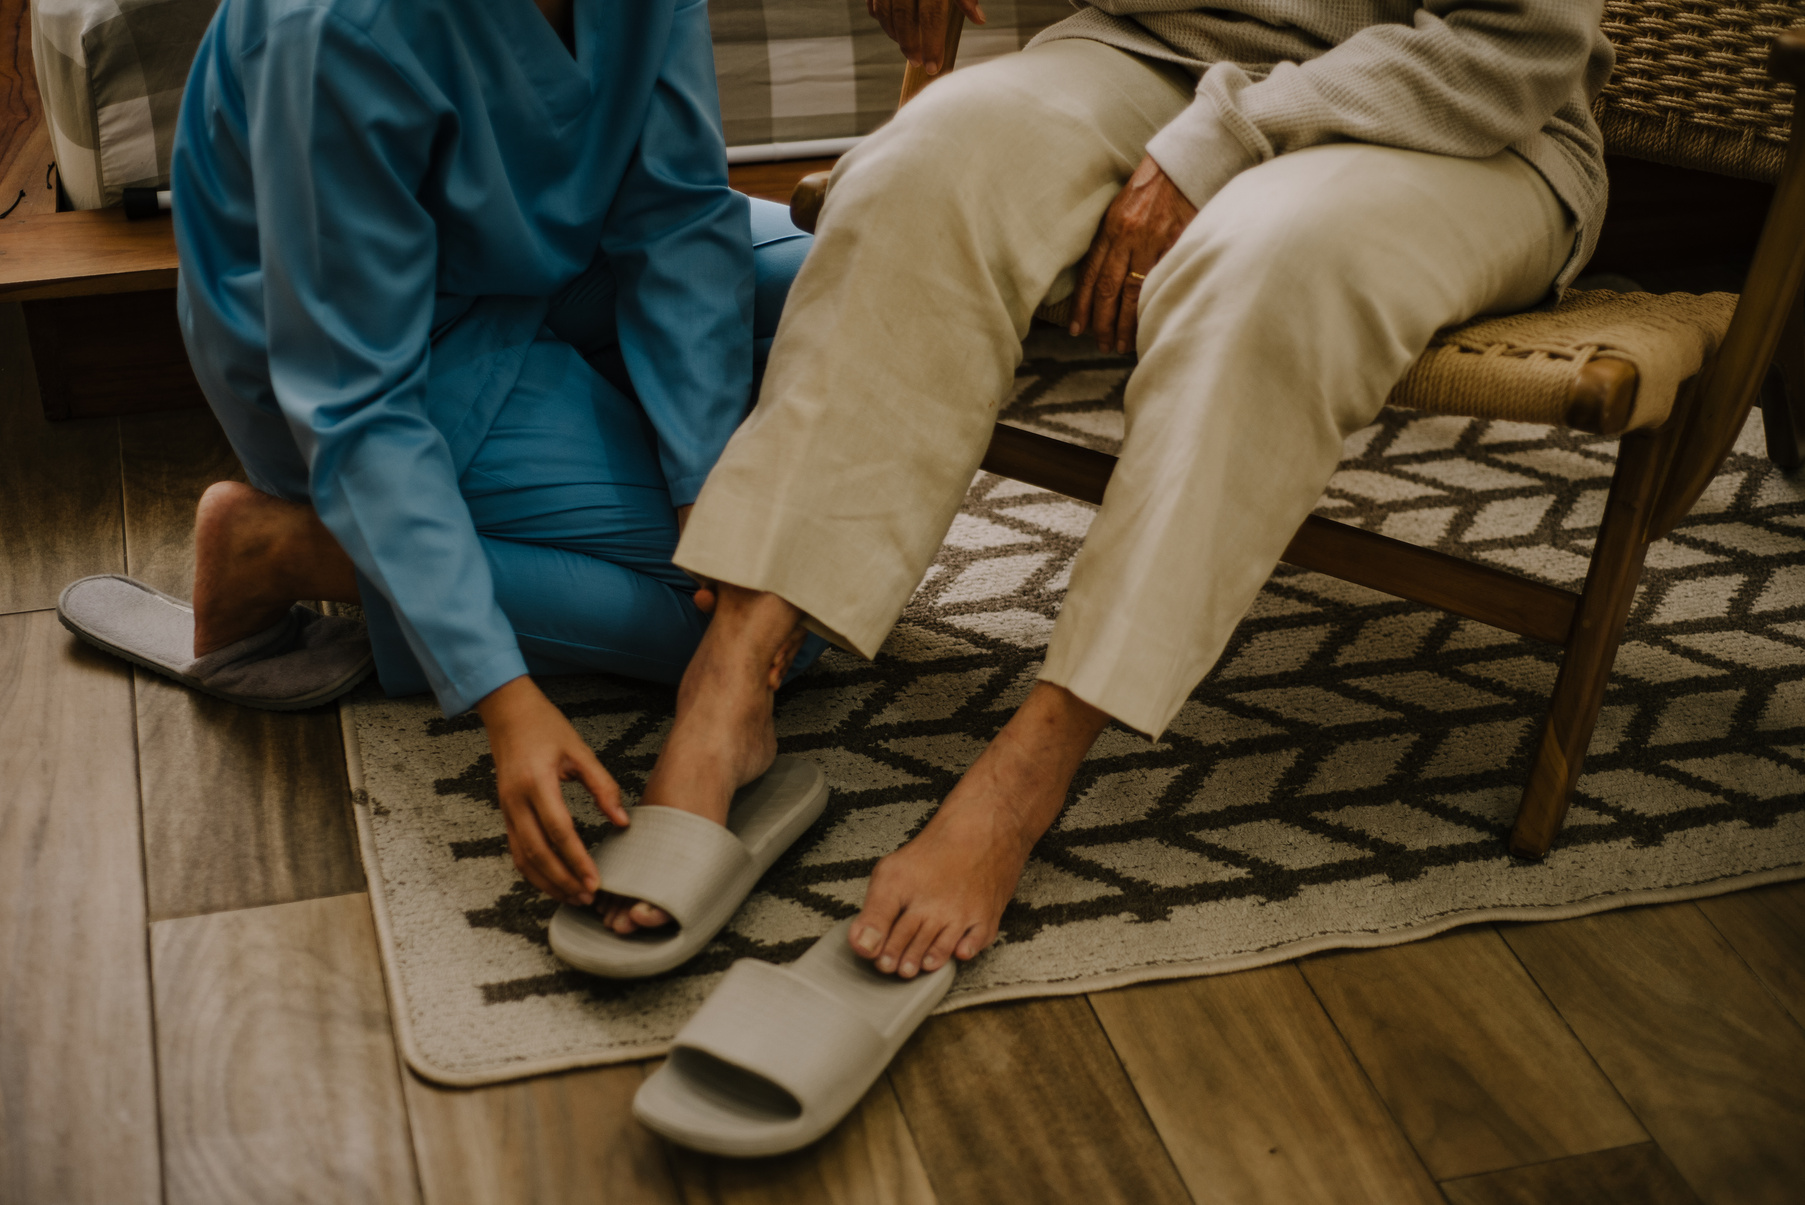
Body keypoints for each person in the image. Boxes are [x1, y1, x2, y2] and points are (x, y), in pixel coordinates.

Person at [590, 1, 1612, 967]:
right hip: (1150, 50)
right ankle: (734, 673)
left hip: (1449, 114)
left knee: (1265, 264)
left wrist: (1227, 134)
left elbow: (1513, 49)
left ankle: (1026, 775)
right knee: (921, 165)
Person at [162, 0, 817, 911]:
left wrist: (703, 485)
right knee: (782, 618)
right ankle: (279, 547)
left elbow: (673, 213)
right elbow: (359, 400)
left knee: (850, 301)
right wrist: (502, 698)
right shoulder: (335, 28)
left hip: (551, 246)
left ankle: (601, 418)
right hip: (392, 349)